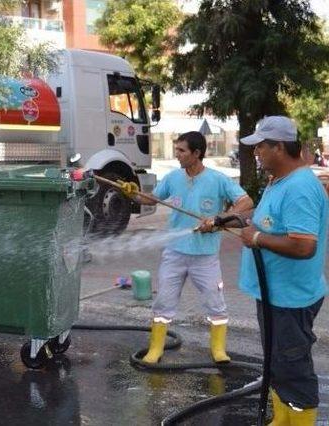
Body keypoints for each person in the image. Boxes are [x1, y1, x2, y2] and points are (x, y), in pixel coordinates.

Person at [122, 131, 254, 364]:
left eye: (182, 151)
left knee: (215, 303)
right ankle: (156, 349)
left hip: (205, 256)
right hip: (174, 252)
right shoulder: (173, 177)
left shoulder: (218, 179)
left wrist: (220, 219)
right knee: (163, 301)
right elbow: (152, 199)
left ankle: (218, 350)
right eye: (176, 150)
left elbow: (246, 202)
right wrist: (133, 194)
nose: (177, 155)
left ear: (197, 153)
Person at [236, 116, 327, 425]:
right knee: (278, 365)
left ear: (279, 148)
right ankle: (281, 418)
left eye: (261, 146)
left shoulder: (299, 188)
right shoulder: (279, 181)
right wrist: (235, 222)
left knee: (293, 369)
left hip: (290, 298)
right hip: (276, 294)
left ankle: (299, 420)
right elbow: (272, 222)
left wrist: (258, 238)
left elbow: (304, 247)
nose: (256, 153)